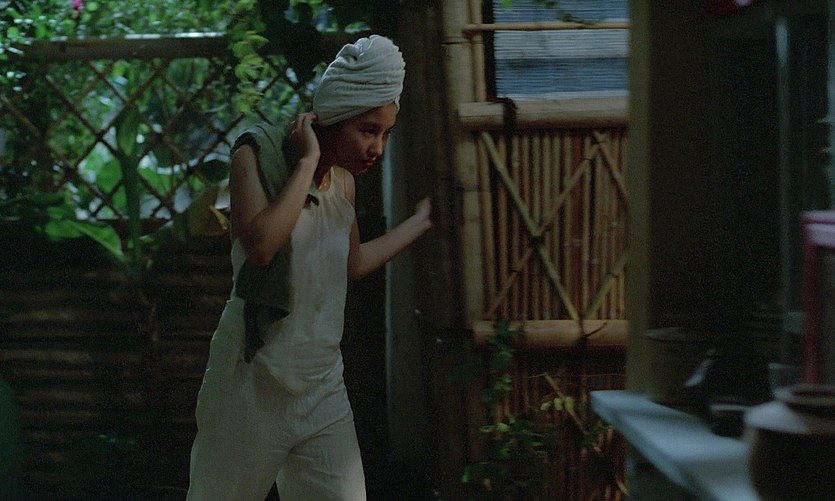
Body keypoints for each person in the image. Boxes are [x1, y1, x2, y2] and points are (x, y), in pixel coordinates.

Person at [186, 35, 433, 500]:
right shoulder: (254, 157)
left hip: (322, 387)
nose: (377, 147)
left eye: (385, 134)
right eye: (368, 130)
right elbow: (261, 247)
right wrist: (306, 164)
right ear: (334, 118)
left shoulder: (345, 184)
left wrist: (420, 223)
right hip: (253, 383)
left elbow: (352, 263)